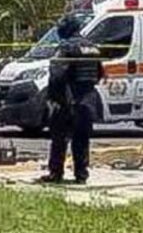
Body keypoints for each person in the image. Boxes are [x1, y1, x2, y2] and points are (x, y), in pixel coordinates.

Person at [41, 21, 104, 185]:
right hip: (88, 99)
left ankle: (56, 173)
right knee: (82, 139)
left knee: (59, 138)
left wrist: (53, 98)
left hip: (68, 99)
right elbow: (99, 74)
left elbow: (57, 75)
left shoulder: (65, 48)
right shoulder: (92, 47)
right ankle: (81, 174)